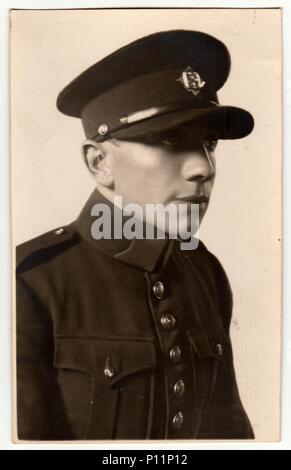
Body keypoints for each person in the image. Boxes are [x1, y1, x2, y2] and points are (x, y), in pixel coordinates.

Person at [16, 29, 255, 440]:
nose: (203, 168)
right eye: (170, 140)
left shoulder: (204, 272)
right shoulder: (28, 283)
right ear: (99, 162)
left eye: (209, 143)